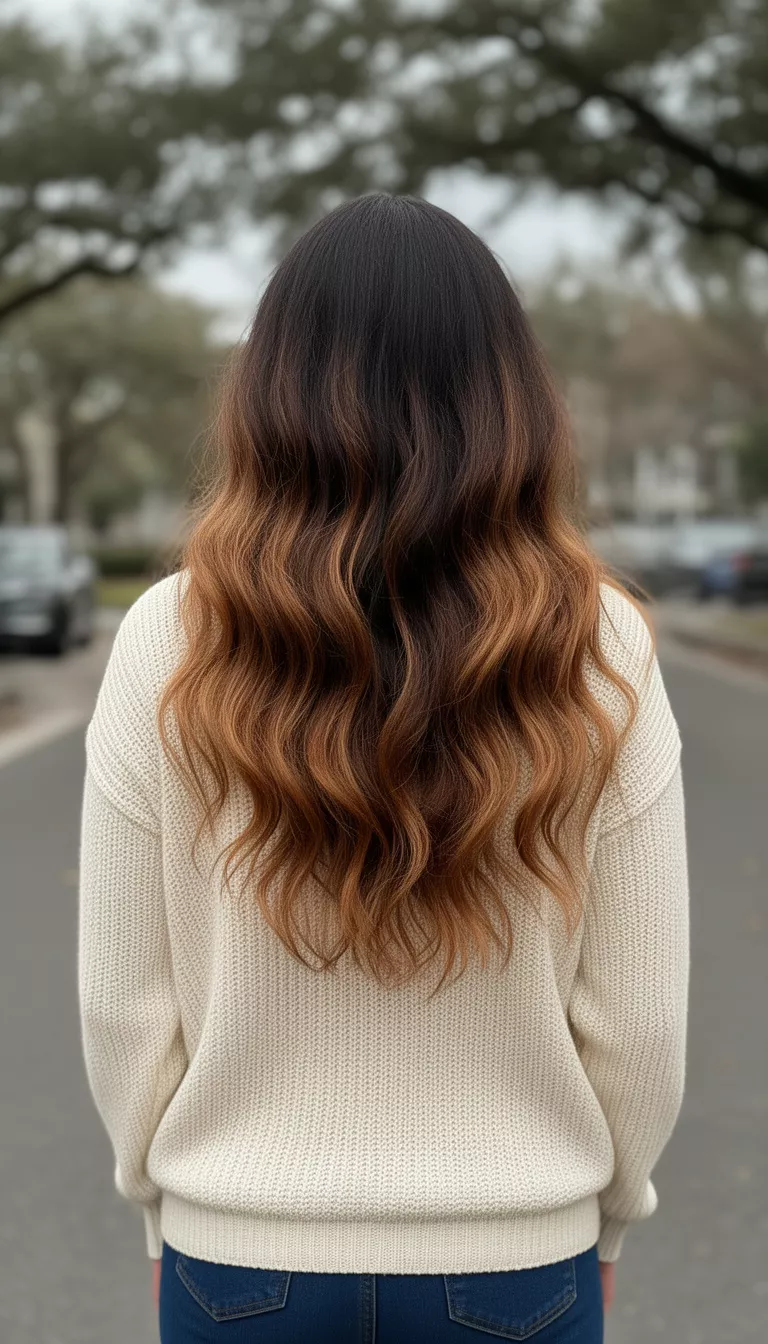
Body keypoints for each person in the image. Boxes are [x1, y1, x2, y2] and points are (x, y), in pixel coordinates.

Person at [78, 193, 689, 1343]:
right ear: (511, 402)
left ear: (269, 394)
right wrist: (606, 1216)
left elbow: (126, 1004)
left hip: (236, 1260)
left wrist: (166, 1199)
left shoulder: (169, 635)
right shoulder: (601, 643)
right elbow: (639, 1023)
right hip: (518, 1263)